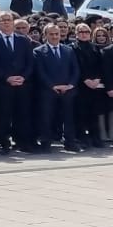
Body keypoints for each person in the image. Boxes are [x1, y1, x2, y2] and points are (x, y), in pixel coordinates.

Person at [33, 20, 82, 153]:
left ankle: (70, 142)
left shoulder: (68, 50)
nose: (54, 36)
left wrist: (70, 85)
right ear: (45, 35)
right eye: (51, 34)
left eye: (57, 34)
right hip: (48, 91)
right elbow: (40, 72)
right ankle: (46, 142)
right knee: (46, 117)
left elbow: (75, 69)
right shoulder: (38, 51)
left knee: (69, 118)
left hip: (67, 90)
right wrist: (52, 86)